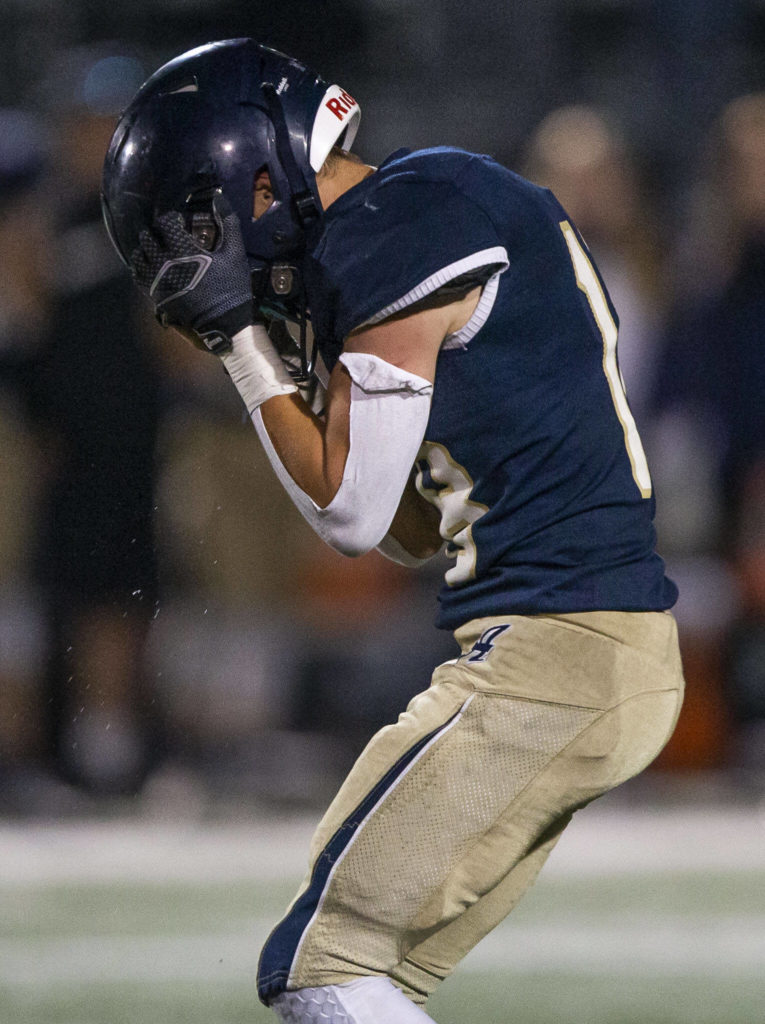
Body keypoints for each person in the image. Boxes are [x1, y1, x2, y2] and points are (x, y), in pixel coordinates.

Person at [102, 39, 685, 1024]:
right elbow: (412, 529)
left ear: (250, 176)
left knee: (320, 966)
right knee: (373, 976)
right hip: (589, 646)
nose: (202, 253)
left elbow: (352, 513)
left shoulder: (393, 230)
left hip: (558, 652)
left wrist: (246, 349)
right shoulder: (421, 206)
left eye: (195, 221)